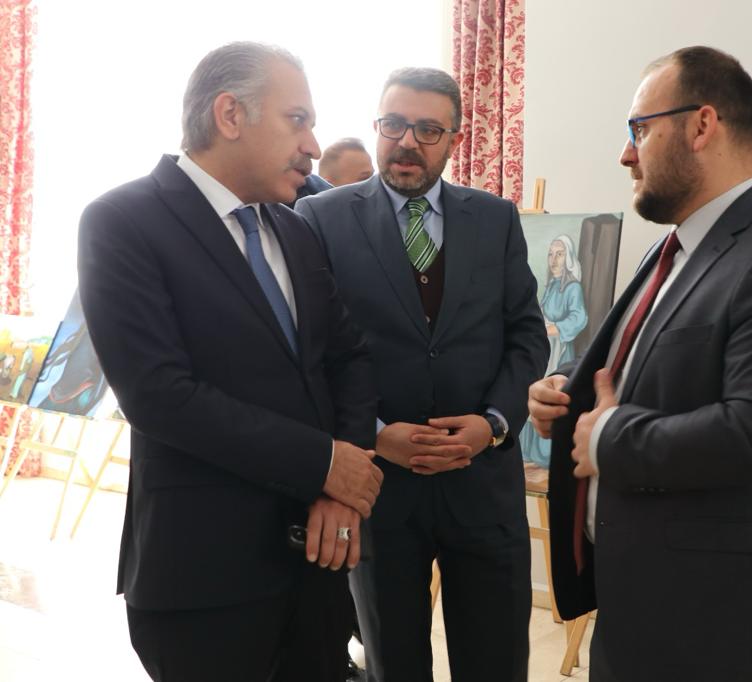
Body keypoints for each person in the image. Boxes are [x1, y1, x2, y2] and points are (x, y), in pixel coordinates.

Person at [527, 46, 752, 681]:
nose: (626, 154)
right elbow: (655, 367)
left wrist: (609, 435)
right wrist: (568, 394)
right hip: (642, 603)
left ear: (702, 125)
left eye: (639, 129)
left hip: (721, 625)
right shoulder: (673, 247)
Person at [77, 42, 383, 682]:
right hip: (204, 577)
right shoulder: (122, 221)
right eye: (297, 120)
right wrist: (324, 463)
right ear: (229, 115)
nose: (313, 146)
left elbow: (348, 358)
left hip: (317, 567)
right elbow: (159, 395)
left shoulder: (294, 229)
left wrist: (341, 490)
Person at [296, 66, 547, 682]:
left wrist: (492, 424)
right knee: (394, 665)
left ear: (455, 139)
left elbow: (526, 336)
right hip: (378, 491)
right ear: (377, 126)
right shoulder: (319, 218)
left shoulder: (495, 218)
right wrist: (376, 435)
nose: (407, 142)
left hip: (483, 487)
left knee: (496, 665)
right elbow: (310, 354)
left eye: (428, 130)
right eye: (394, 124)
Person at [520, 235, 588, 468]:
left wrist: (555, 327)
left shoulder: (572, 287)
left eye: (559, 254)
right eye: (551, 254)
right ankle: (530, 452)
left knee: (550, 397)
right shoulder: (550, 285)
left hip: (559, 351)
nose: (554, 259)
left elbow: (579, 317)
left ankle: (546, 457)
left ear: (568, 257)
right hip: (545, 347)